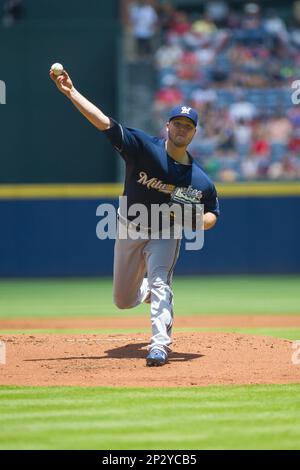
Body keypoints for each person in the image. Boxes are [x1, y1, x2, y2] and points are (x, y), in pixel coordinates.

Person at [49, 68, 220, 367]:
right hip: (129, 226)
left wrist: (195, 220)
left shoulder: (199, 180)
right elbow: (103, 123)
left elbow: (211, 215)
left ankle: (159, 346)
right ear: (167, 126)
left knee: (161, 282)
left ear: (194, 132)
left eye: (188, 125)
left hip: (166, 232)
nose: (182, 128)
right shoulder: (142, 148)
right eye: (177, 123)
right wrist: (70, 92)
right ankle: (148, 292)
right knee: (123, 300)